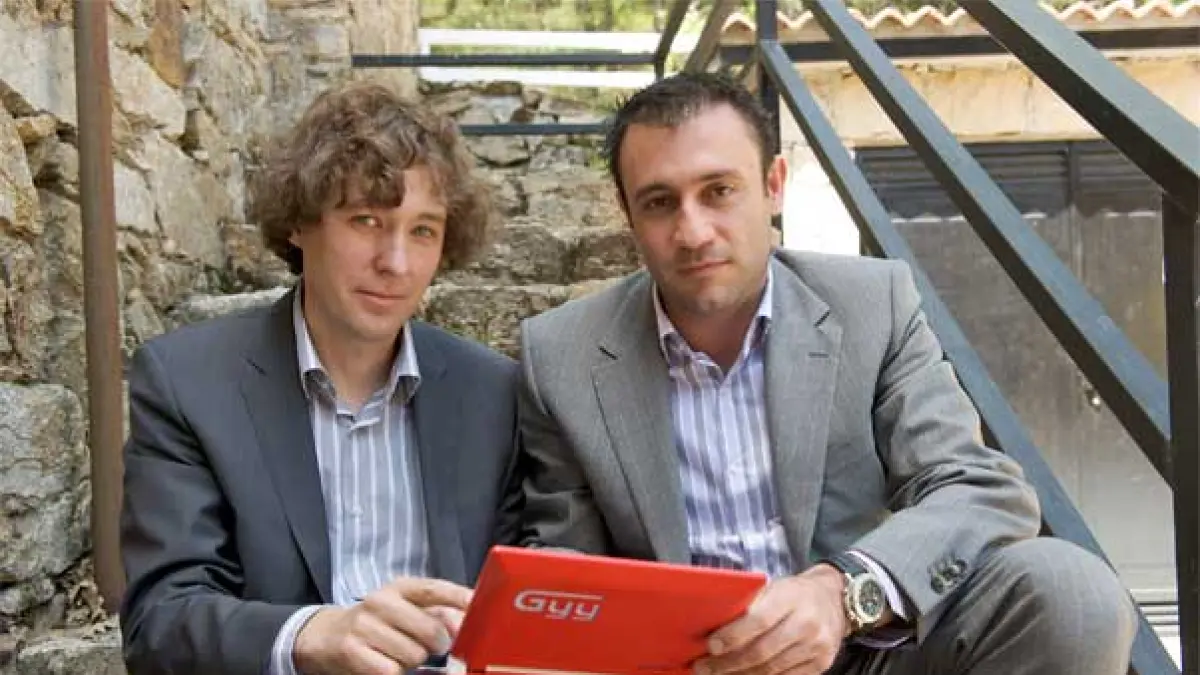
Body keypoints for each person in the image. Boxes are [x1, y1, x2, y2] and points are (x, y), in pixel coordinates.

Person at [516, 72, 1136, 675]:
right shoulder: (561, 356)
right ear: (628, 215)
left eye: (719, 190)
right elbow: (565, 567)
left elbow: (974, 487)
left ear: (773, 186)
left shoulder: (871, 305)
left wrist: (843, 593)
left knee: (1072, 594)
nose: (693, 231)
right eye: (659, 203)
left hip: (865, 650)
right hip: (682, 665)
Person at [119, 82, 523, 675]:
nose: (396, 263)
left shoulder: (494, 392)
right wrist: (312, 633)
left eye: (423, 230)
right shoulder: (187, 383)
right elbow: (161, 622)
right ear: (298, 223)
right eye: (366, 220)